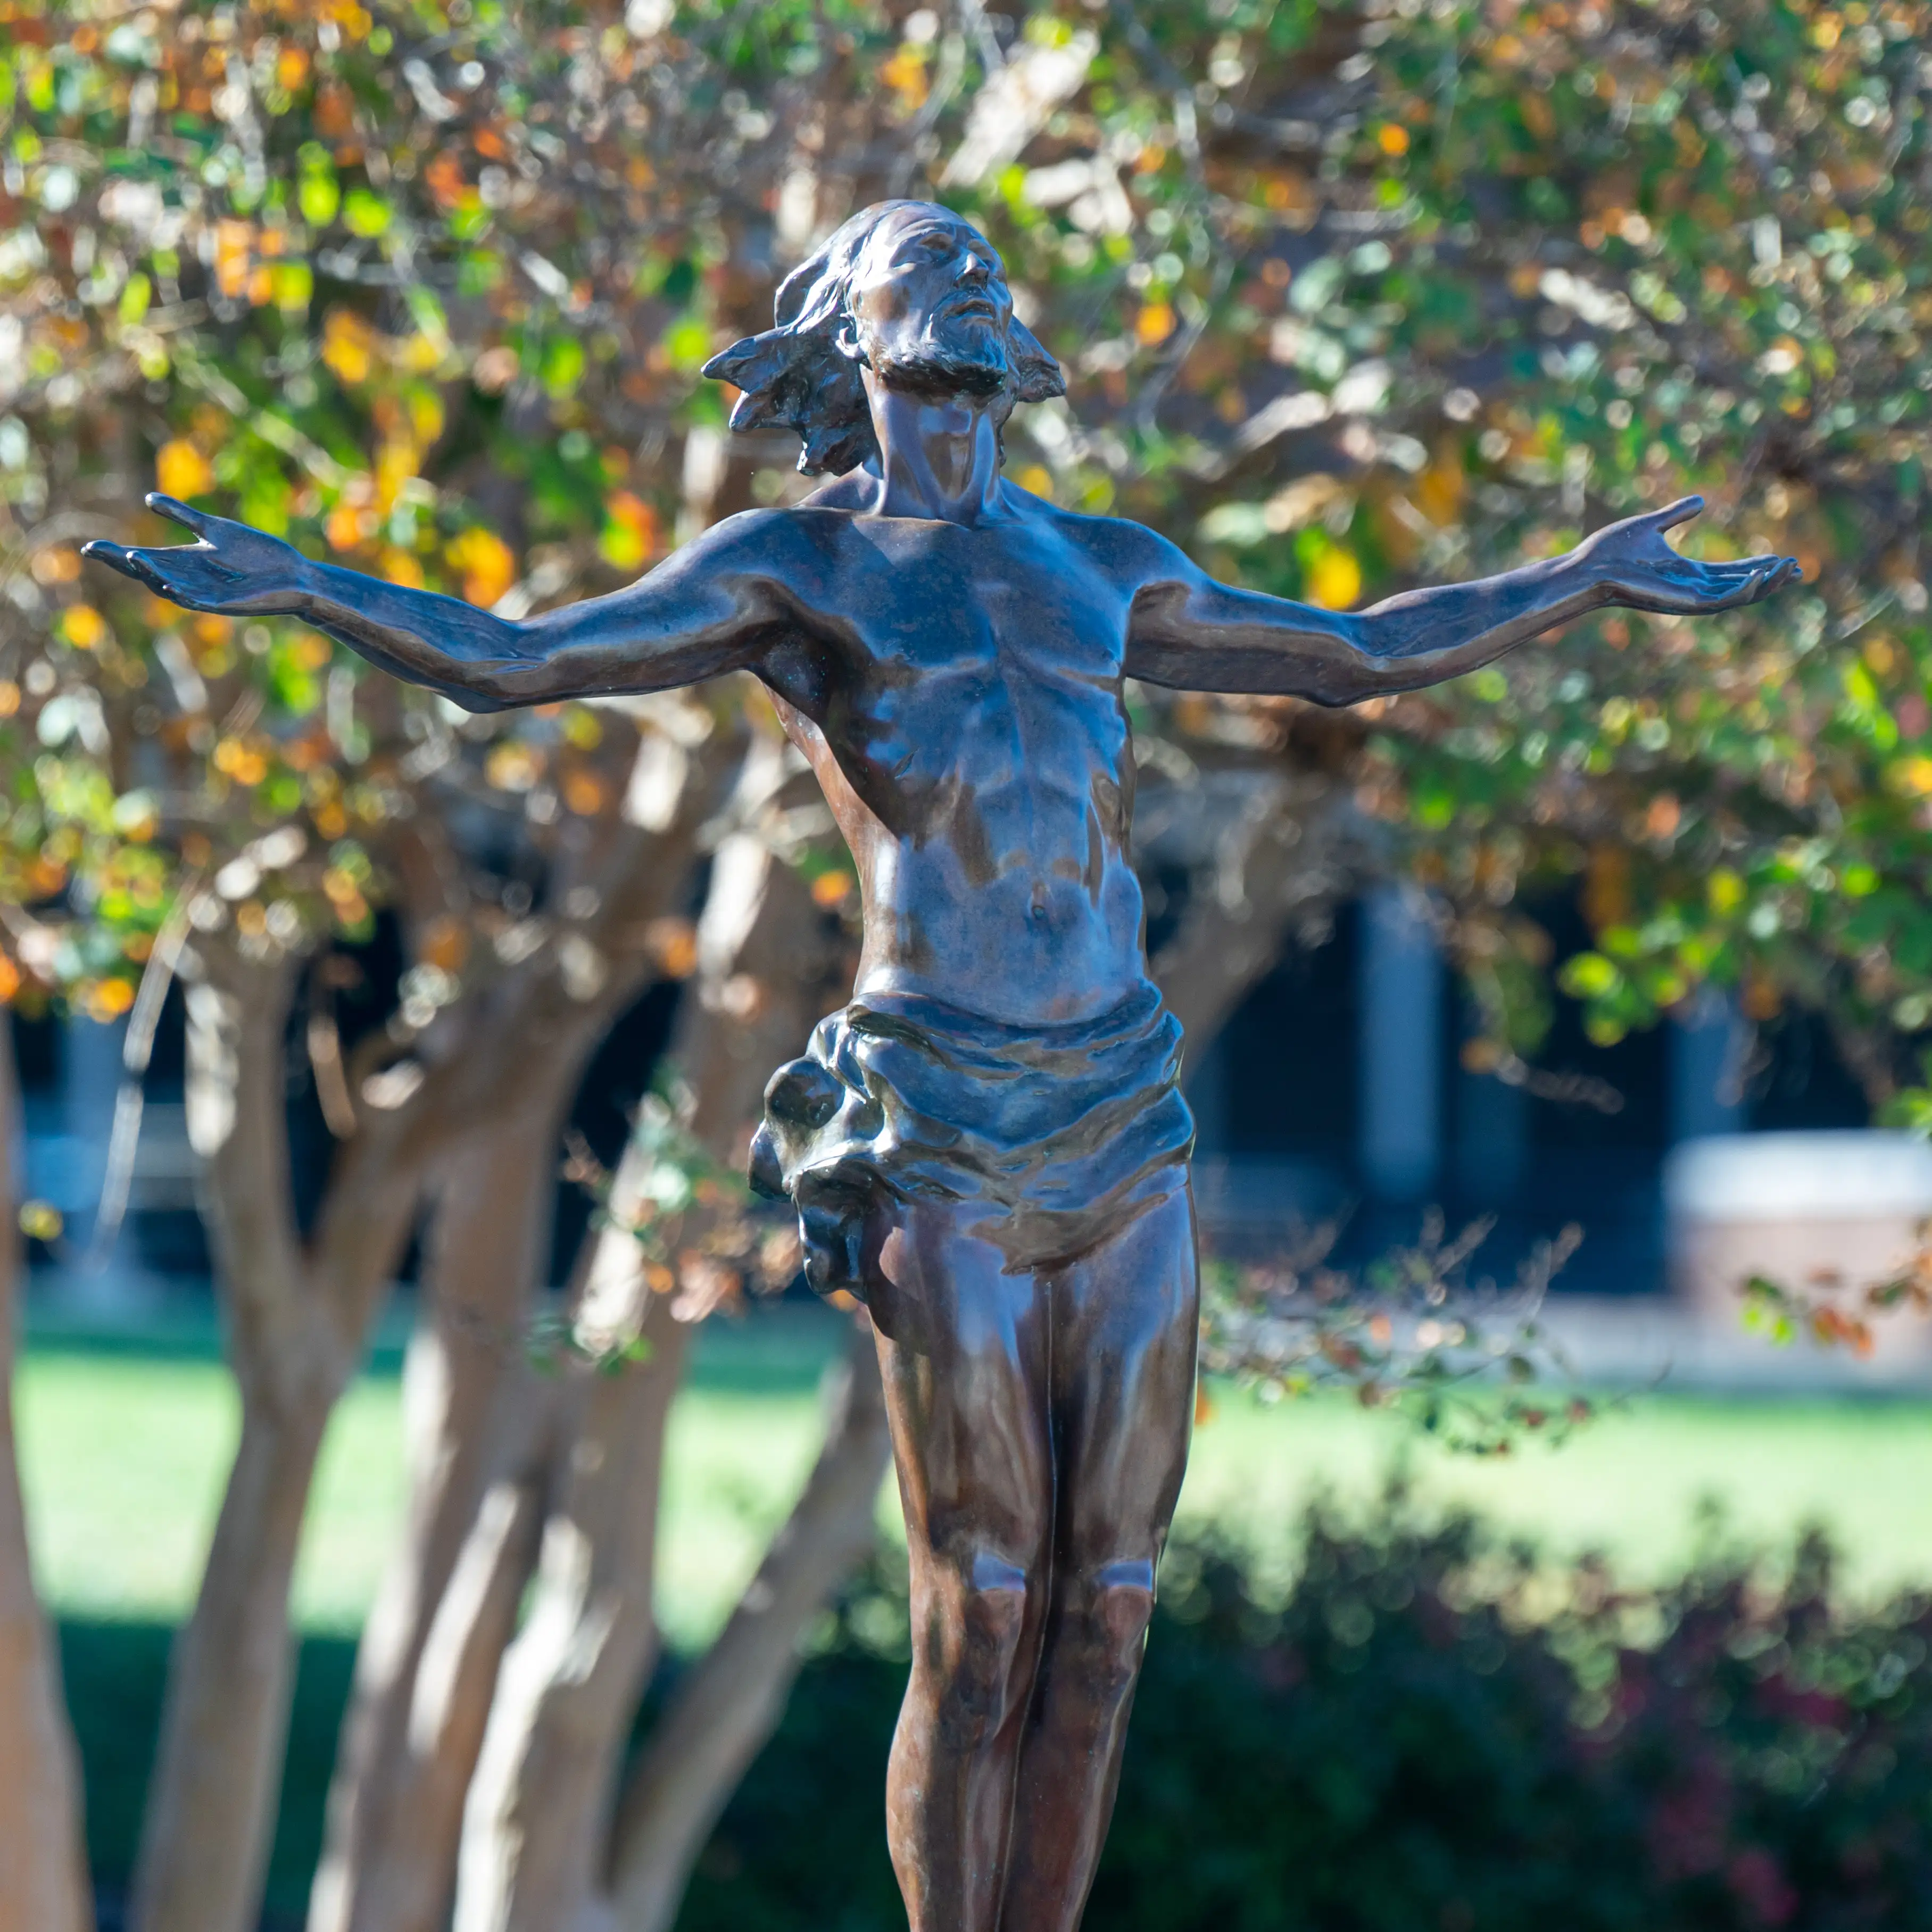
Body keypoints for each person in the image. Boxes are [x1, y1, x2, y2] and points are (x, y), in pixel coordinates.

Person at [87, 198, 1800, 1932]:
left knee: (1108, 1603)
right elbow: (522, 663)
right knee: (981, 1601)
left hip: (1119, 1108)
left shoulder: (1100, 564)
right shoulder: (800, 567)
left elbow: (1353, 655)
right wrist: (307, 581)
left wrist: (1583, 577)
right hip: (937, 1114)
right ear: (849, 327)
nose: (976, 276)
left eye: (990, 261)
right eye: (932, 255)